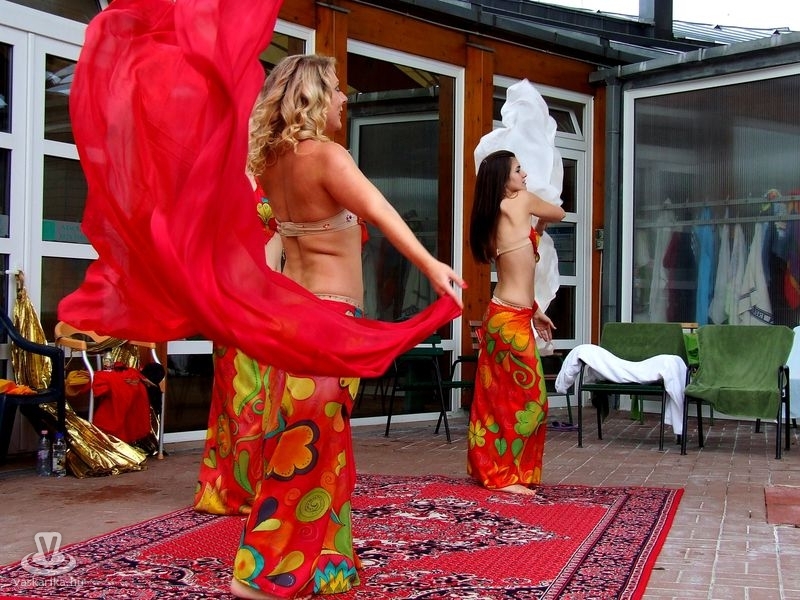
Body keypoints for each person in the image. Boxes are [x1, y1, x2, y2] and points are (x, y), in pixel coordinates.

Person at [226, 54, 465, 600]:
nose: (343, 98)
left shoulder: (272, 161)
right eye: (335, 88)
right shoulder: (327, 156)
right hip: (328, 324)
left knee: (319, 446)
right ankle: (262, 572)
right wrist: (432, 267)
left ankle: (327, 568)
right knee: (310, 448)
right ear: (312, 96)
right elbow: (381, 212)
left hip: (296, 321)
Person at [467, 149, 565, 495]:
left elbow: (518, 270)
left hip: (508, 316)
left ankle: (500, 471)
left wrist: (535, 309)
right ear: (503, 179)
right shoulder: (520, 201)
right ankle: (504, 477)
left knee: (501, 399)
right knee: (531, 401)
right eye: (518, 170)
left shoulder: (498, 212)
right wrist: (540, 204)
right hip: (508, 321)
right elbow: (559, 211)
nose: (524, 175)